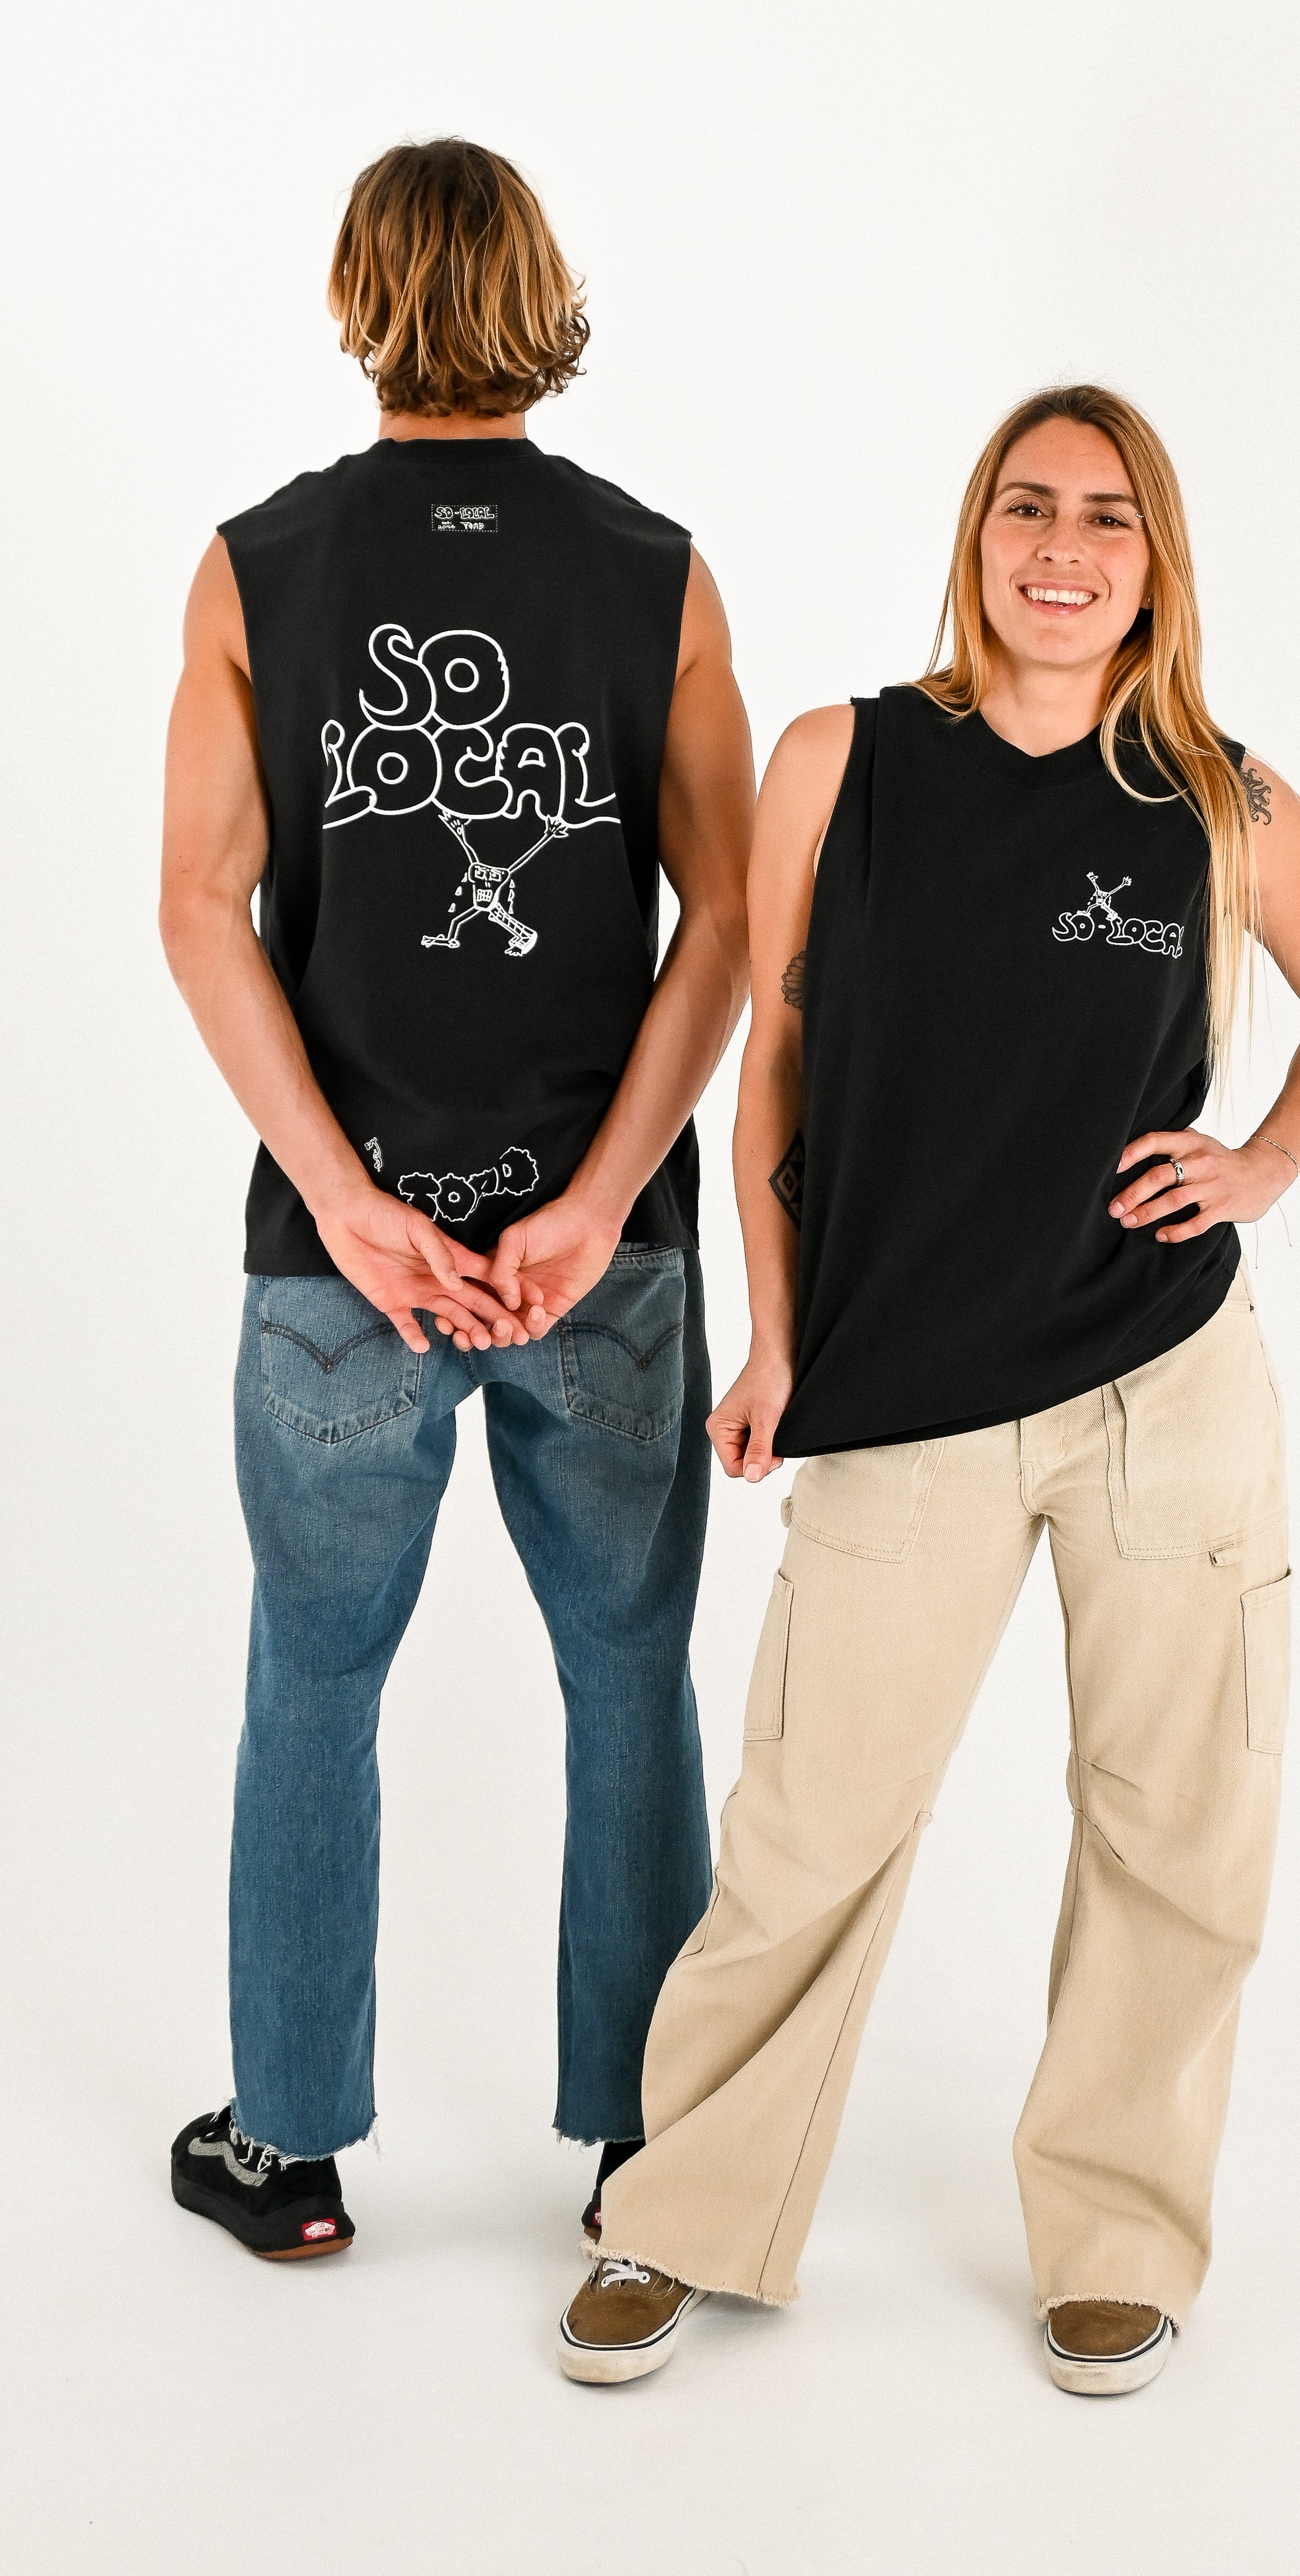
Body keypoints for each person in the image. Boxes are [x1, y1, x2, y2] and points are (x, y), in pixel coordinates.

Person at [558, 382, 1300, 2387]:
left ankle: (1115, 2236)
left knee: (1173, 1828)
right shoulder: (841, 757)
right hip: (902, 1385)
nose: (1061, 548)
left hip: (1161, 1384)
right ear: (977, 536)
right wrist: (779, 1336)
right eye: (1028, 508)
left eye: (1106, 518)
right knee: (808, 1827)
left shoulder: (1224, 801)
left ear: (1153, 563)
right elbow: (776, 1063)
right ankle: (682, 2208)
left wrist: (1264, 1163)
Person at [159, 140, 754, 2260]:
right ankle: (650, 2148)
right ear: (542, 292)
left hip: (343, 1259)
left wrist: (341, 1197)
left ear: (358, 297)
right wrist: (593, 1203)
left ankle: (290, 2150)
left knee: (311, 1682)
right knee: (632, 1678)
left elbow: (199, 909)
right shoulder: (658, 573)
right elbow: (727, 921)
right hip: (606, 1254)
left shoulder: (257, 567)